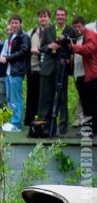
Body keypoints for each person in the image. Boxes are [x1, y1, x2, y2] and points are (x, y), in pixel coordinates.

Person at [39, 7, 75, 135]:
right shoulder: (48, 30)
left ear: (66, 16)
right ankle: (45, 125)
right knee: (46, 97)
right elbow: (41, 47)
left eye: (62, 15)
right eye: (58, 15)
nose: (60, 17)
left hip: (62, 66)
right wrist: (49, 46)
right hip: (48, 67)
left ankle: (63, 125)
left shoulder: (70, 30)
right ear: (55, 16)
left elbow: (73, 48)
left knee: (62, 97)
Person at [0, 15, 30, 132]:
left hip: (17, 71)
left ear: (20, 24)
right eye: (12, 23)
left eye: (16, 23)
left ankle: (16, 123)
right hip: (8, 71)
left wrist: (7, 58)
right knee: (9, 98)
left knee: (16, 98)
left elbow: (24, 51)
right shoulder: (11, 36)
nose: (14, 25)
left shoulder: (24, 37)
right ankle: (11, 121)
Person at [25, 9, 50, 126]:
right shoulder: (32, 32)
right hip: (33, 69)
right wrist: (31, 50)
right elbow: (23, 46)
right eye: (40, 16)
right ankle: (29, 123)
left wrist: (41, 51)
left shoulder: (53, 31)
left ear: (49, 18)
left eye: (45, 16)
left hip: (47, 70)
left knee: (45, 98)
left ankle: (44, 123)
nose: (42, 18)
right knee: (31, 98)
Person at [72, 16, 97, 128]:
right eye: (75, 26)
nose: (77, 28)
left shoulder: (91, 35)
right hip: (80, 74)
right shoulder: (77, 37)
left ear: (84, 25)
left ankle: (92, 128)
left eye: (79, 26)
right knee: (85, 103)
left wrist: (74, 47)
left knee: (91, 103)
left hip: (90, 75)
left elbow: (89, 49)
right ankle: (89, 128)